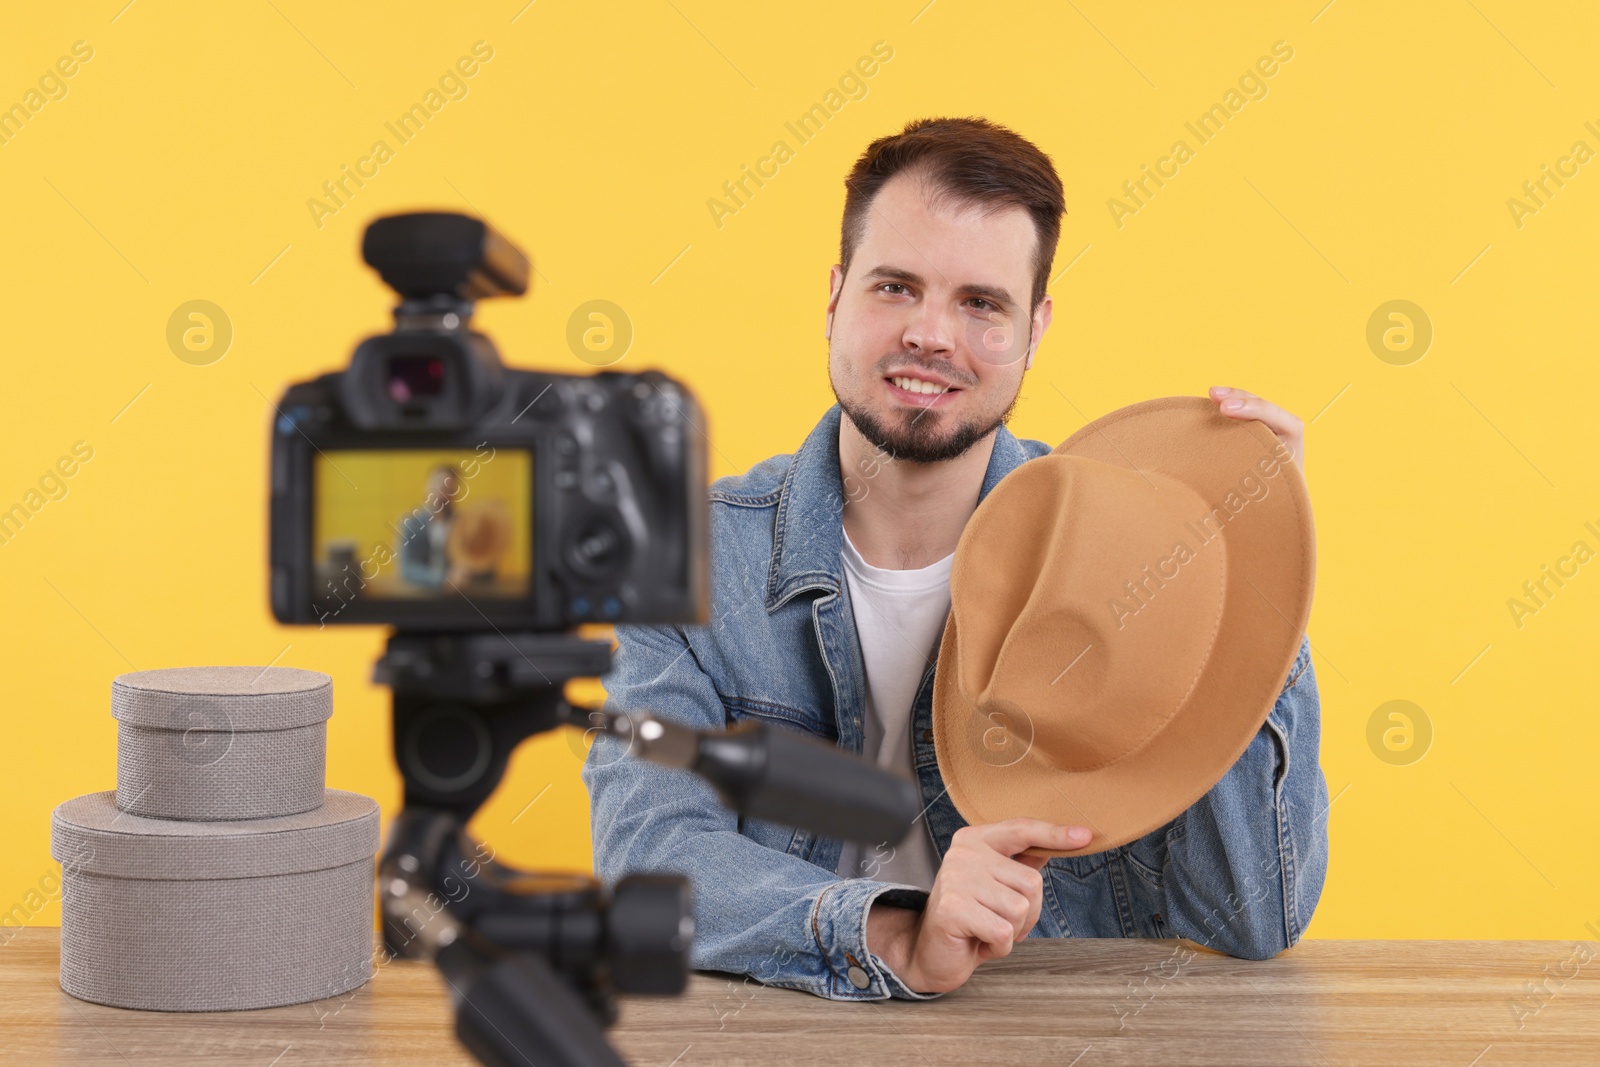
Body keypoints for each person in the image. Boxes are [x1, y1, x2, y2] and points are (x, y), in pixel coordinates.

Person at [583, 116, 1326, 1001]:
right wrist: (895, 928)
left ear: (1035, 328)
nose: (932, 335)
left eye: (981, 303)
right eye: (896, 287)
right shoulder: (691, 559)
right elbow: (647, 863)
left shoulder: (1137, 556)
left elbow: (1252, 918)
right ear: (834, 297)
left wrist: (1253, 581)